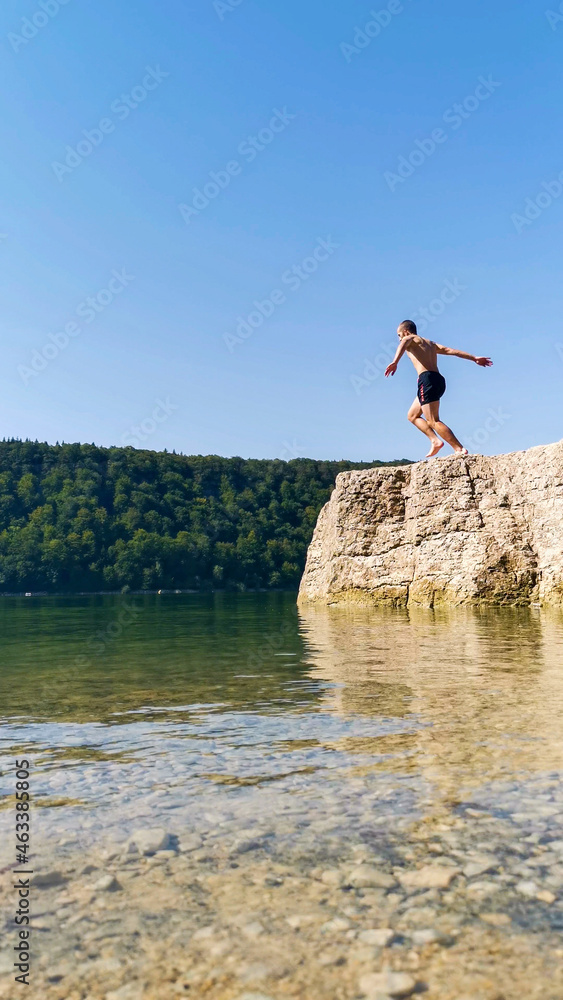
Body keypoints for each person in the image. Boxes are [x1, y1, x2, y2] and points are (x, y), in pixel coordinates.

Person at [384, 320, 493, 458]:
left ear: (406, 331)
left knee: (433, 420)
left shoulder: (409, 338)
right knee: (412, 415)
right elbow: (451, 351)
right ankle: (435, 441)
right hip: (438, 380)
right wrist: (474, 358)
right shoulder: (430, 344)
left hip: (427, 380)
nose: (400, 338)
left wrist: (395, 362)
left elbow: (403, 343)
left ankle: (459, 449)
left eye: (399, 335)